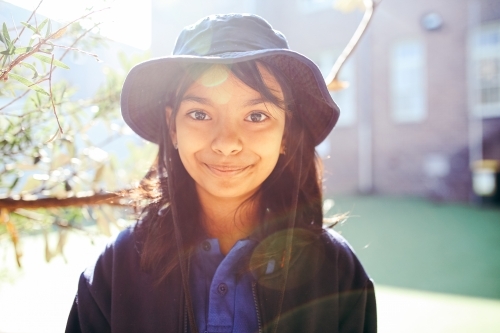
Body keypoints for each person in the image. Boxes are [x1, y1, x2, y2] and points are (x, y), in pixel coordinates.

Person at [66, 13, 376, 333]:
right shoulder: (115, 271)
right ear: (173, 127)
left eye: (256, 115)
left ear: (286, 134)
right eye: (199, 113)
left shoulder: (337, 273)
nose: (226, 143)